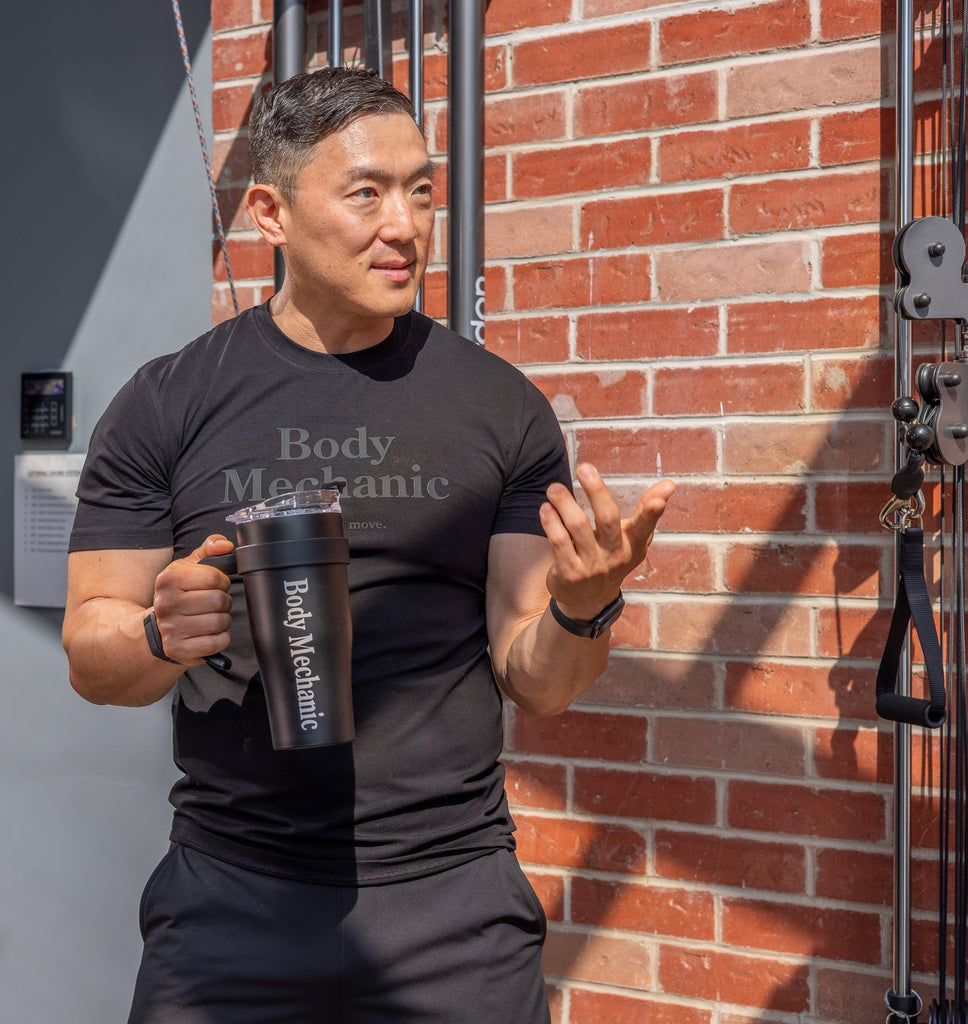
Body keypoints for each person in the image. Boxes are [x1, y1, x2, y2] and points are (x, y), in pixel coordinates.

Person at [63, 66, 675, 1024]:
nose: (406, 225)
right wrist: (156, 634)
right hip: (230, 899)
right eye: (366, 193)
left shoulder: (498, 406)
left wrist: (583, 604)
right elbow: (92, 657)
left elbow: (539, 680)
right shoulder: (166, 403)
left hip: (452, 908)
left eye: (421, 190)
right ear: (270, 212)